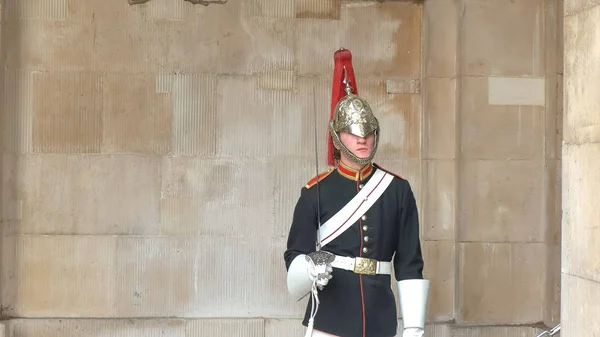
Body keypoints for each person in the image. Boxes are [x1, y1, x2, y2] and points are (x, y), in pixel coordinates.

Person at [283, 48, 430, 337]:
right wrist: (310, 269)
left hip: (380, 317)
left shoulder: (397, 190)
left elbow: (410, 262)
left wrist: (414, 327)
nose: (362, 139)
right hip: (330, 318)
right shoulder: (315, 192)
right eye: (353, 132)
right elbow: (294, 254)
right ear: (337, 140)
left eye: (368, 131)